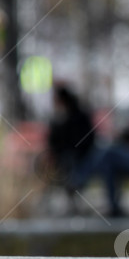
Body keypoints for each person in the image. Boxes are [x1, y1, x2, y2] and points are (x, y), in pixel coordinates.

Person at [45, 84, 96, 212]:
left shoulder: (78, 116)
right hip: (62, 156)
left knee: (70, 162)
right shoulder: (58, 117)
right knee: (58, 163)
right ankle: (68, 196)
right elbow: (53, 140)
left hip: (81, 154)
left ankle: (73, 191)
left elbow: (86, 139)